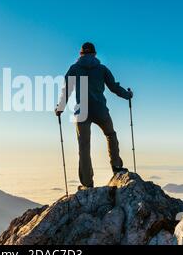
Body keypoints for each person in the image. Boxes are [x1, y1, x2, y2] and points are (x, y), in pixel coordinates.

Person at [55, 42, 133, 190]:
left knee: (84, 147)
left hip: (82, 112)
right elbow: (114, 88)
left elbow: (67, 90)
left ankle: (87, 183)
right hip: (100, 110)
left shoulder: (74, 69)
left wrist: (60, 108)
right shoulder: (102, 69)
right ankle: (116, 167)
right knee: (110, 135)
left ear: (81, 54)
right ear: (95, 54)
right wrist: (128, 95)